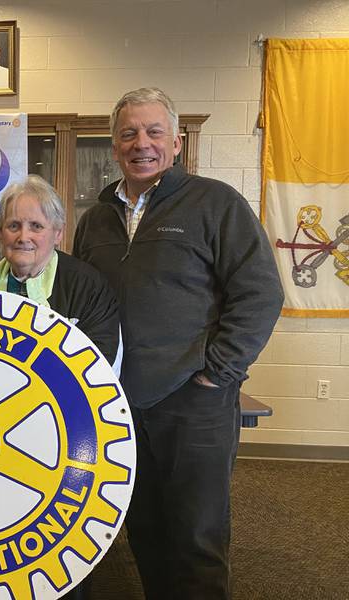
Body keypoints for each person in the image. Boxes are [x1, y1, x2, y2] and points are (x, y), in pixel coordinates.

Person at [73, 87, 284, 599]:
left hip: (195, 402)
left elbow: (260, 293)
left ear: (177, 142)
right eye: (128, 133)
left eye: (153, 131)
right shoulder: (96, 219)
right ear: (114, 143)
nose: (140, 143)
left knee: (196, 537)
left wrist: (218, 372)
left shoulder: (215, 203)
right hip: (119, 405)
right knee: (142, 528)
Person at [0, 174, 121, 370]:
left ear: (58, 233)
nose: (23, 237)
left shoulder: (88, 287)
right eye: (13, 226)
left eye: (36, 226)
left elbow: (99, 364)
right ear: (0, 234)